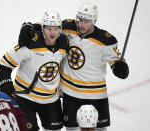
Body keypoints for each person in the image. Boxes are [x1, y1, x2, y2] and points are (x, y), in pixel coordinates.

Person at [17, 2, 129, 131]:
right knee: (71, 129)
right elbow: (49, 25)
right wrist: (28, 26)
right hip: (70, 94)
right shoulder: (68, 27)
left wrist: (121, 68)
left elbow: (116, 62)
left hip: (96, 95)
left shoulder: (106, 40)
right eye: (79, 20)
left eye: (86, 21)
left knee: (99, 129)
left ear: (95, 20)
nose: (81, 24)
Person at [0, 11, 69, 131]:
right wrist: (6, 83)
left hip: (51, 100)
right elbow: (5, 62)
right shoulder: (30, 43)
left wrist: (31, 24)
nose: (52, 33)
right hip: (26, 99)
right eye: (48, 29)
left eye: (55, 29)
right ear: (43, 29)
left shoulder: (64, 43)